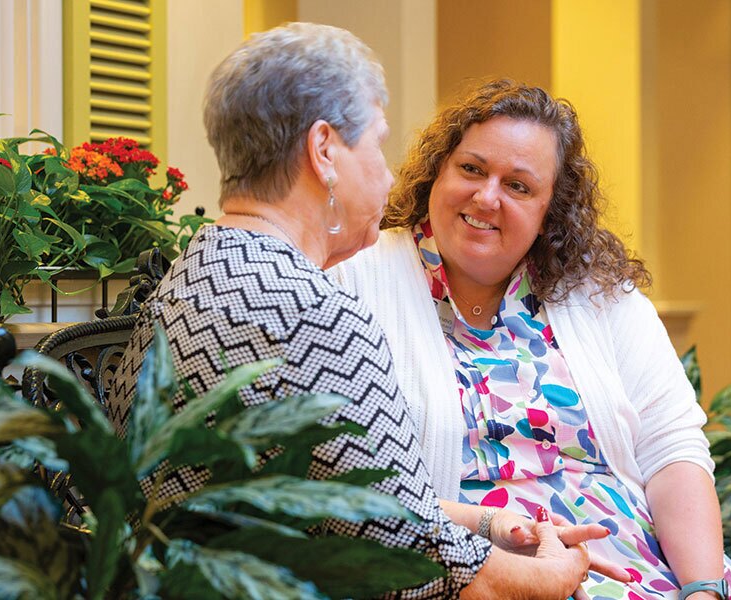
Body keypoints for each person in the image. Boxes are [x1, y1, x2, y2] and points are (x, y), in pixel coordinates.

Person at [107, 25, 618, 599]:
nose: (390, 175)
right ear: (324, 151)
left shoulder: (193, 270)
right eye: (375, 145)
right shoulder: (312, 312)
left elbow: (370, 506)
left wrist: (489, 521)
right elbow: (426, 571)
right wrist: (555, 573)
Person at [332, 80, 731, 600]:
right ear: (437, 172)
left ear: (549, 213)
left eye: (518, 186)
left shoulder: (601, 295)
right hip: (475, 570)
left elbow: (672, 450)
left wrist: (701, 590)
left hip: (639, 567)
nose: (486, 196)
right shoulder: (352, 279)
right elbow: (348, 480)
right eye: (471, 169)